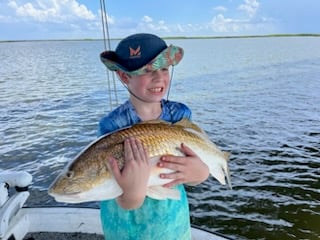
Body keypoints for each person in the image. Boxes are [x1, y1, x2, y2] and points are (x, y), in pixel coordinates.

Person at [98, 33, 209, 240]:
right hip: (127, 227)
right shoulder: (112, 125)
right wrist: (132, 194)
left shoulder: (181, 115)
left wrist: (200, 172)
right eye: (147, 70)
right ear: (124, 76)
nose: (159, 77)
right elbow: (111, 186)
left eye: (164, 68)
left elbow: (195, 162)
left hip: (173, 221)